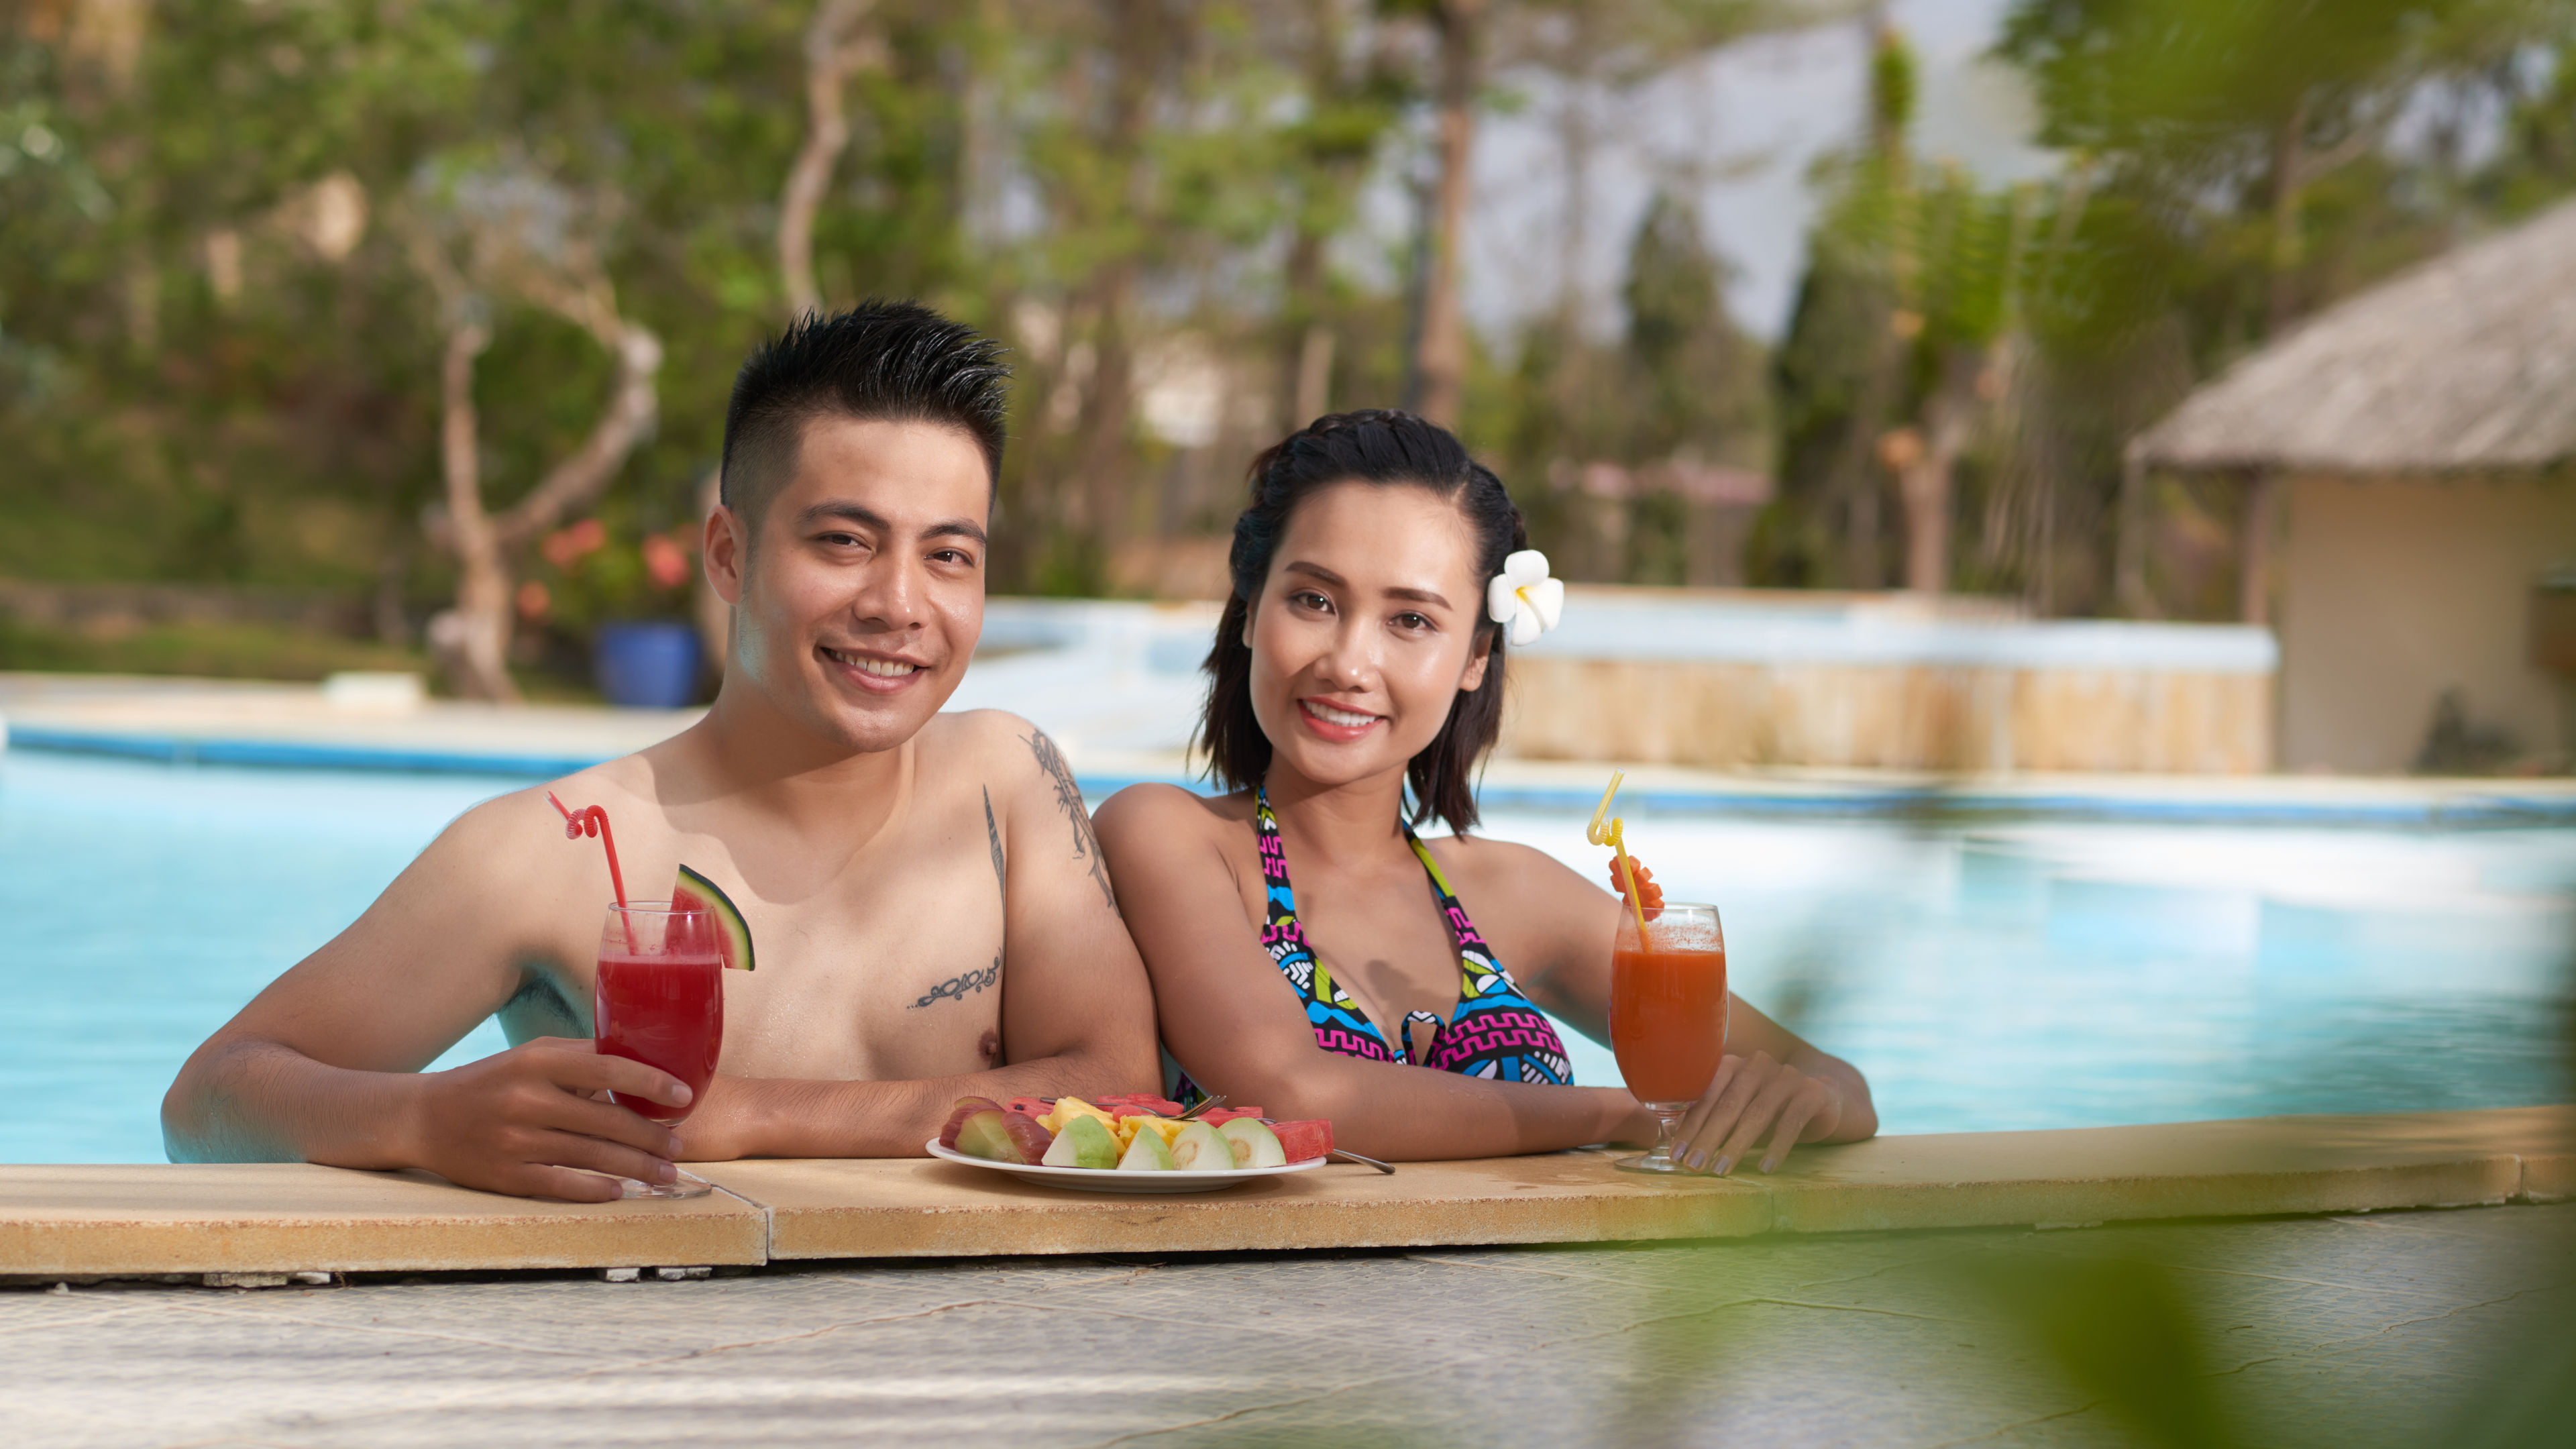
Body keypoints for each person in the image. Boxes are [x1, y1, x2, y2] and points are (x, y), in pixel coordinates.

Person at [164, 303, 1159, 1200]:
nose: (900, 605)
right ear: (729, 554)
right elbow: (210, 1100)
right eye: (845, 543)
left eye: (949, 556)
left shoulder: (1005, 780)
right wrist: (424, 1118)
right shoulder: (554, 851)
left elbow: (1119, 1086)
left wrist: (751, 1115)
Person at [1093, 411, 1875, 1171]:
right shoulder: (1166, 836)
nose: (1349, 662)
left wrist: (1798, 1103)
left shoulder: (1515, 892)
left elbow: (1841, 1083)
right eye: (1315, 601)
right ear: (1250, 613)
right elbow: (1290, 1092)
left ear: (1475, 656)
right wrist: (1624, 1113)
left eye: (1410, 621)